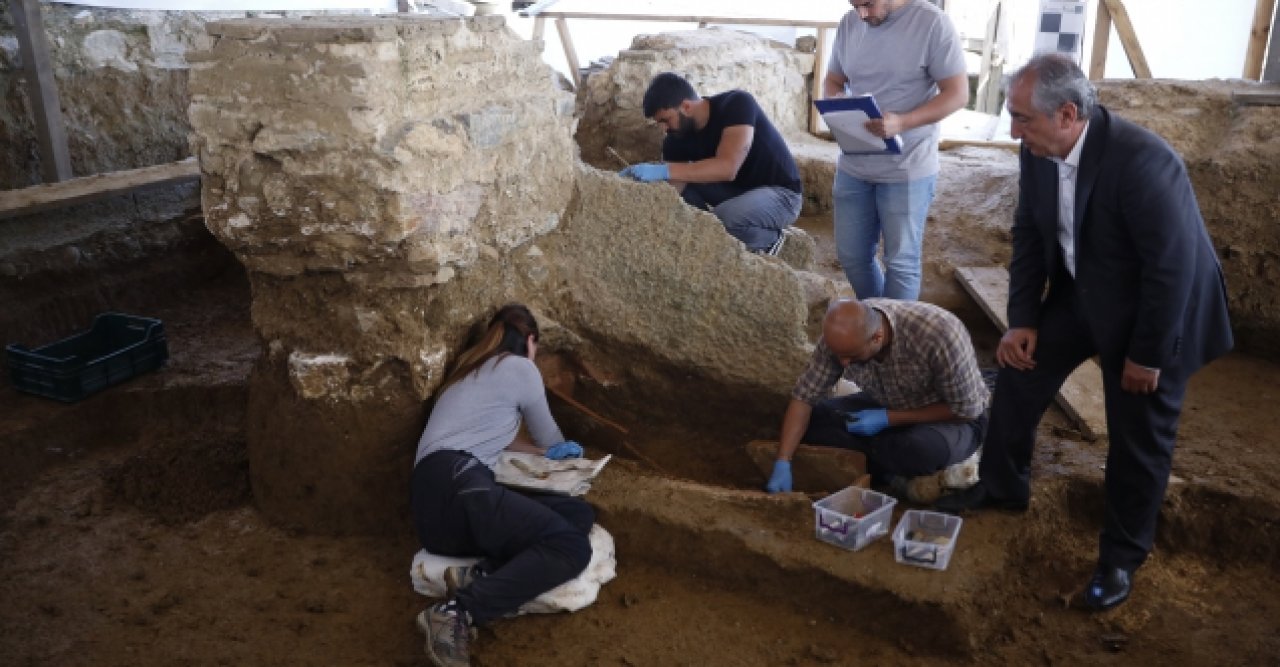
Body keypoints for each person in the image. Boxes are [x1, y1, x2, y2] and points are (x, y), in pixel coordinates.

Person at [935, 54, 1233, 612]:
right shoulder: (1038, 151)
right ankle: (1003, 485)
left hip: (1155, 311)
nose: (1014, 131)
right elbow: (1028, 231)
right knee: (1020, 376)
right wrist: (1022, 319)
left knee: (1138, 435)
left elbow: (1170, 270)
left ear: (1068, 114)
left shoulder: (1143, 161)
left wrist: (1147, 356)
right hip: (1086, 290)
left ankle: (1121, 558)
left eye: (1023, 119)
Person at [410, 304, 595, 667]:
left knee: (576, 513)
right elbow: (548, 434)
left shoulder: (469, 369)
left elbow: (494, 435)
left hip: (436, 508)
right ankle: (455, 611)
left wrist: (542, 451)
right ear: (530, 341)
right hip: (457, 479)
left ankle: (478, 576)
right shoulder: (519, 367)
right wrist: (556, 450)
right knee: (570, 546)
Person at [764, 297, 989, 495]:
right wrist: (783, 460)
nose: (843, 363)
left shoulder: (939, 334)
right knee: (815, 419)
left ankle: (931, 466)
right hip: (886, 403)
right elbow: (804, 397)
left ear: (877, 337)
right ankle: (895, 473)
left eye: (851, 356)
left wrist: (888, 418)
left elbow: (966, 410)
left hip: (948, 418)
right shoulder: (840, 337)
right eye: (839, 356)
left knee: (919, 450)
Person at [822, 0, 968, 300]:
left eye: (867, 4)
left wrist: (903, 122)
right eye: (854, 5)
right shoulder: (850, 23)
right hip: (855, 162)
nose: (862, 14)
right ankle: (878, 326)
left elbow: (958, 93)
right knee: (851, 256)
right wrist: (836, 102)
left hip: (908, 165)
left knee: (900, 262)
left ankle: (897, 340)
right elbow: (834, 79)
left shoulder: (931, 23)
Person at [619, 72, 803, 254]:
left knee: (724, 217)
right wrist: (639, 197)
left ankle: (768, 239)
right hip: (735, 193)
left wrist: (664, 170)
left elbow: (727, 167)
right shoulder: (675, 139)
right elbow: (672, 190)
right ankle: (708, 240)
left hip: (782, 195)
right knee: (686, 194)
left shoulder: (737, 104)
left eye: (665, 120)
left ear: (686, 106)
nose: (663, 128)